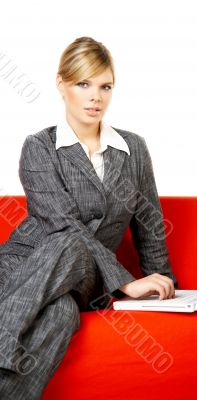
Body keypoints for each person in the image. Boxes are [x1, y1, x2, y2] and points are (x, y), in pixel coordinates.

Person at [0, 36, 178, 398]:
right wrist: (126, 283)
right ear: (61, 84)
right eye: (83, 83)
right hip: (23, 271)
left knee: (69, 296)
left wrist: (170, 290)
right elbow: (62, 224)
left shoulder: (133, 149)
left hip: (87, 282)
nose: (95, 96)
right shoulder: (39, 147)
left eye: (104, 86)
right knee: (63, 312)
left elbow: (149, 226)